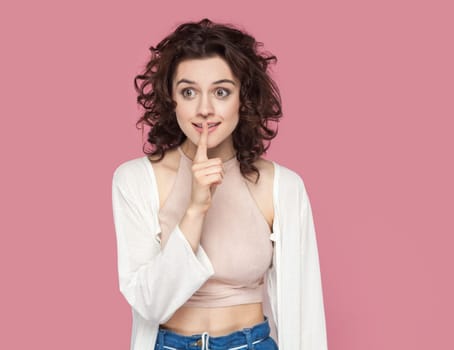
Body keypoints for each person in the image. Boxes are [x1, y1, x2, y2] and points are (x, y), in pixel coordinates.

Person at [112, 18, 328, 350]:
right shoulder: (136, 180)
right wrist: (196, 208)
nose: (204, 109)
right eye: (189, 92)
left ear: (243, 98)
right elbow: (150, 304)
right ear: (172, 99)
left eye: (221, 92)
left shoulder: (281, 186)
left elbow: (304, 313)